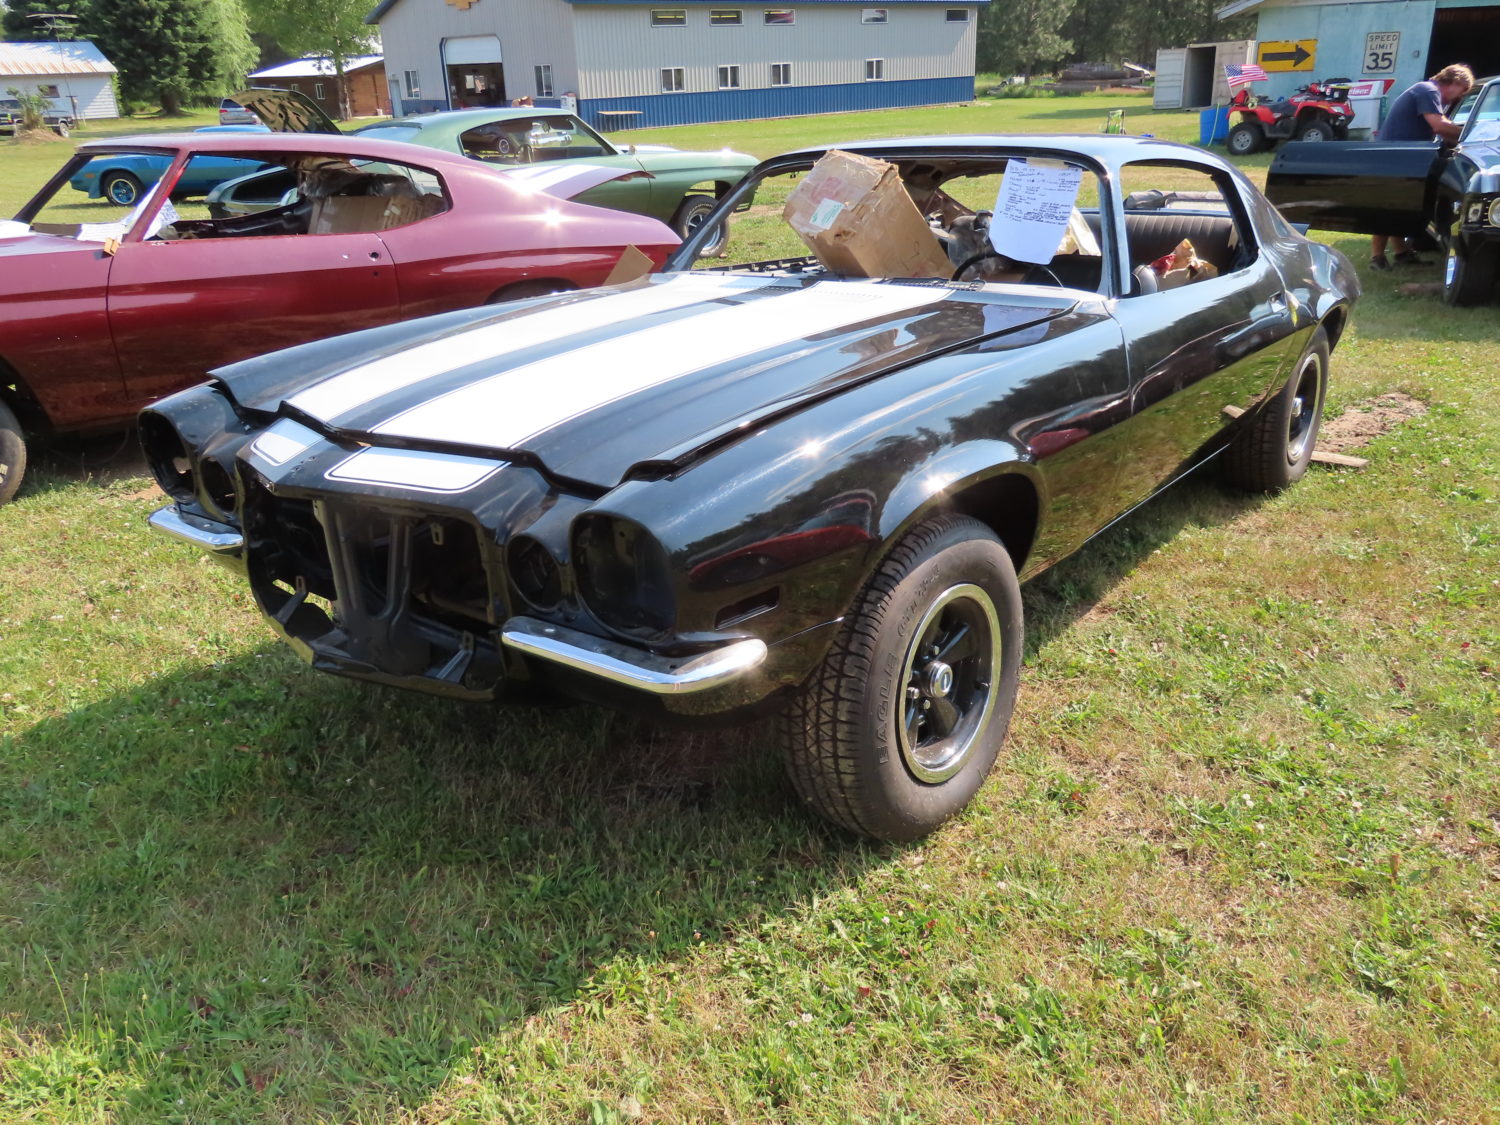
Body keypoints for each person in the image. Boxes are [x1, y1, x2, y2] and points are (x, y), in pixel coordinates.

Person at [1370, 63, 1474, 270]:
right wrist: (1471, 134)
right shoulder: (1428, 91)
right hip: (1394, 158)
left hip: (1400, 157)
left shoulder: (1426, 91)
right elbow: (1440, 126)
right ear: (1455, 82)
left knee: (1400, 206)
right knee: (1388, 207)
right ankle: (1377, 258)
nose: (1457, 98)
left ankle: (1401, 254)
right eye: (1461, 91)